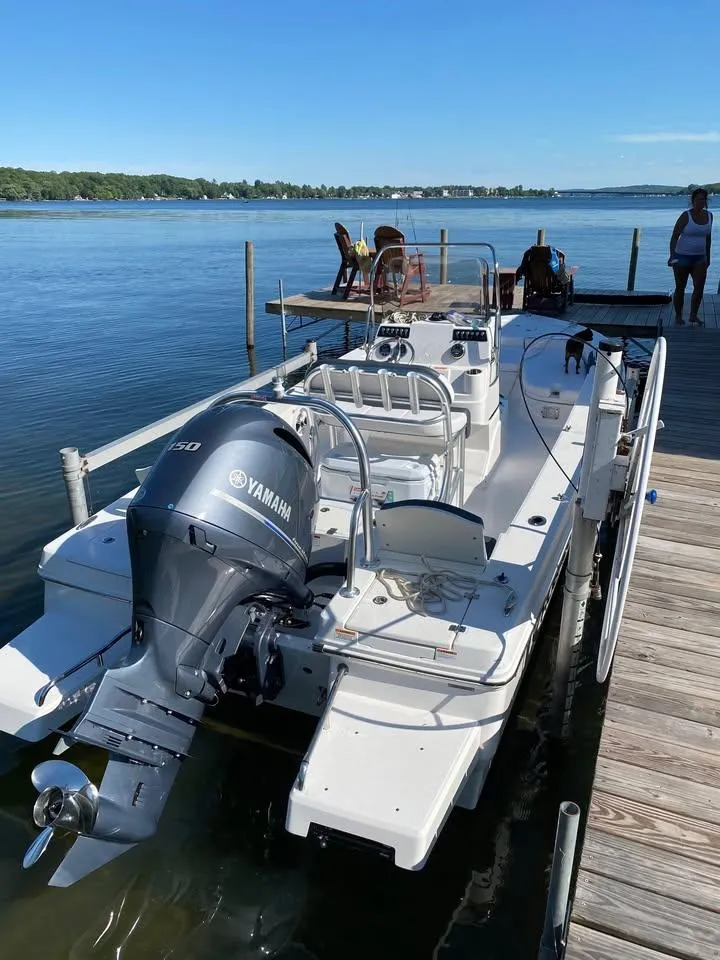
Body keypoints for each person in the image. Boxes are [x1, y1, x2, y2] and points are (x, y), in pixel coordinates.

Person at [668, 187, 713, 325]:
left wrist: (708, 257)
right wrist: (672, 255)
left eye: (703, 199)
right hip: (682, 257)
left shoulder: (710, 216)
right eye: (698, 199)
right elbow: (674, 237)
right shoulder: (685, 216)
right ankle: (678, 316)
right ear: (692, 201)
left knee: (699, 288)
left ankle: (693, 316)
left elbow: (708, 238)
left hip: (700, 258)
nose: (701, 202)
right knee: (680, 288)